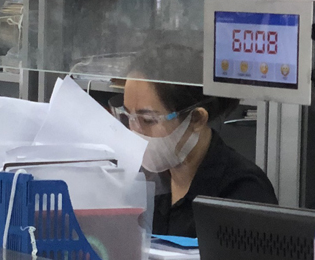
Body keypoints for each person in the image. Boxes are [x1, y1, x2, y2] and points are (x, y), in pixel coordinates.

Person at [112, 43, 277, 238]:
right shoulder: (147, 182)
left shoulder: (242, 193)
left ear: (196, 119)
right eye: (127, 116)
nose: (135, 131)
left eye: (148, 120)